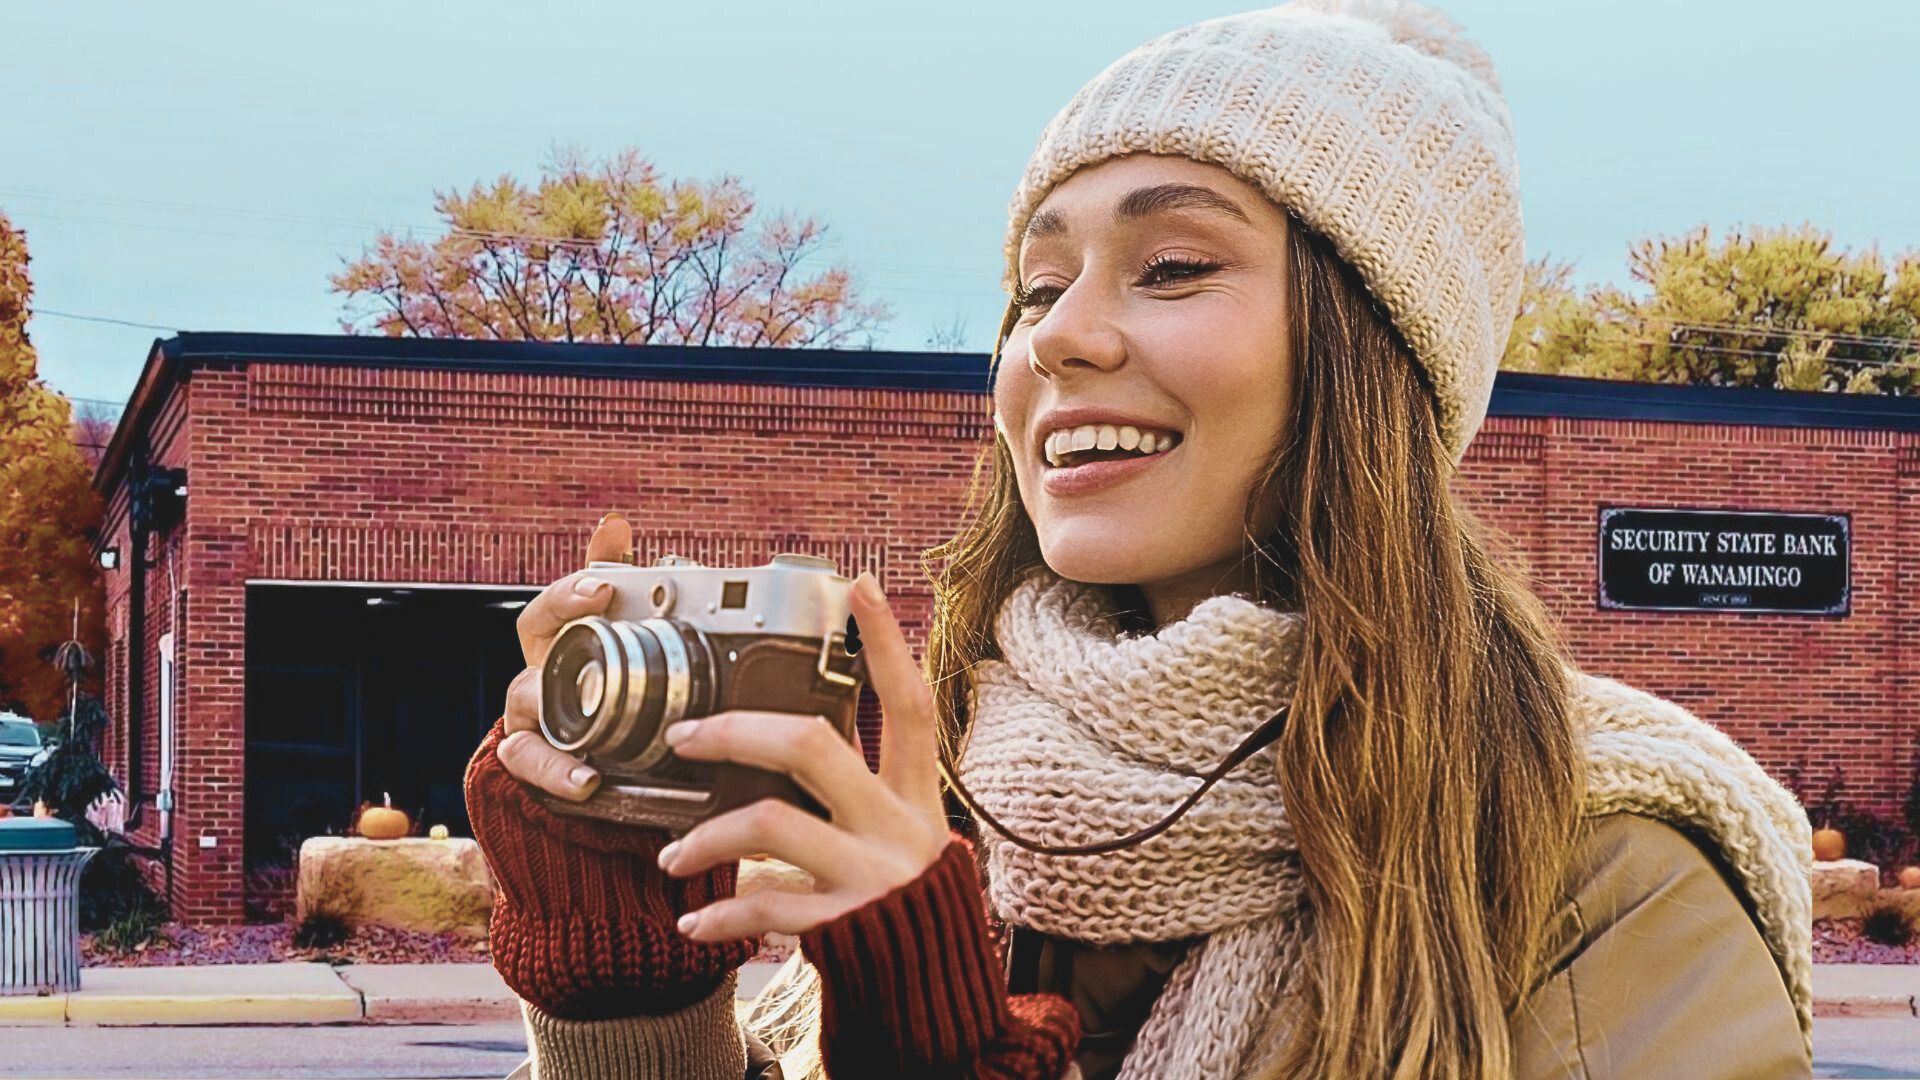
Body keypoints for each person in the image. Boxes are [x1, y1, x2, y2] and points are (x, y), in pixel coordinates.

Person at [464, 2, 1814, 1077]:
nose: (1056, 334)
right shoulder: (973, 811)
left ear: (1369, 358)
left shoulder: (1601, 875)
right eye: (1038, 287)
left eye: (1170, 267)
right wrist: (623, 1009)